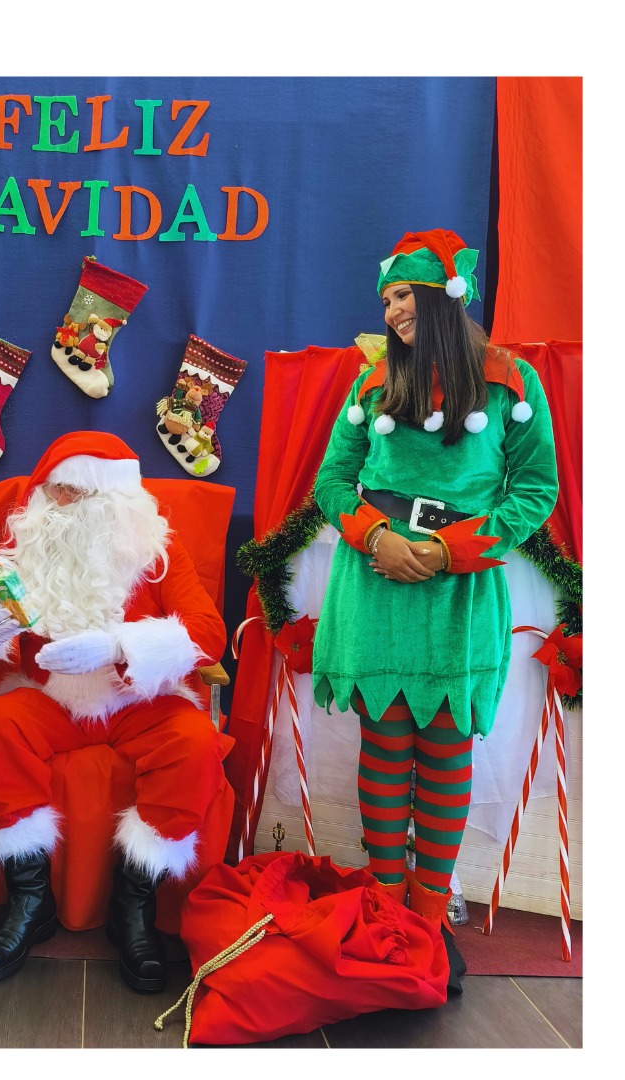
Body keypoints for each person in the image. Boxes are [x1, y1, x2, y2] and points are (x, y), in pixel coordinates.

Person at [311, 229, 559, 994]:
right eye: (386, 299)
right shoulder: (372, 385)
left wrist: (452, 550)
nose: (392, 311)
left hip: (458, 591)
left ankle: (428, 918)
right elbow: (332, 482)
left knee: (446, 748)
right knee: (386, 743)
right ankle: (387, 911)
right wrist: (374, 536)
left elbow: (535, 490)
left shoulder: (510, 383)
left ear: (446, 296)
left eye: (404, 295)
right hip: (375, 585)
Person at [0, 430, 230, 992]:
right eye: (57, 490)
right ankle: (30, 901)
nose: (65, 504)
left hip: (139, 700)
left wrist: (120, 646)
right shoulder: (17, 552)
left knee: (193, 743)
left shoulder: (158, 555)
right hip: (48, 697)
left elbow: (208, 634)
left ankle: (133, 906)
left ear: (118, 500)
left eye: (81, 493)